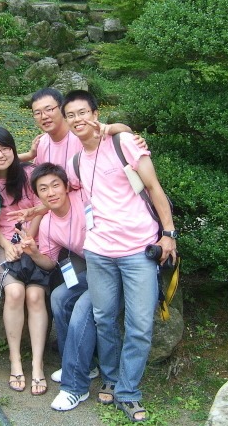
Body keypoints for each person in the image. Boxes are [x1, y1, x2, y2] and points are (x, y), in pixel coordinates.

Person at [62, 90, 177, 422]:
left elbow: (153, 187)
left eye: (83, 112)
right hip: (98, 251)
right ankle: (111, 379)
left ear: (96, 114)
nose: (78, 119)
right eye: (71, 115)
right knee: (104, 319)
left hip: (138, 250)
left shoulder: (123, 142)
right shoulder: (75, 162)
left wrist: (168, 233)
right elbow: (67, 193)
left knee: (139, 324)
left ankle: (128, 392)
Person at [18, 162, 98, 411]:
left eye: (55, 185)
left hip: (111, 267)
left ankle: (75, 386)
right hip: (90, 270)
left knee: (81, 310)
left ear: (66, 186)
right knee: (59, 297)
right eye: (43, 189)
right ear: (38, 195)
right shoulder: (48, 223)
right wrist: (33, 252)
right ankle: (78, 364)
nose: (51, 192)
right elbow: (50, 263)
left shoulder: (83, 197)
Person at [0, 126, 49, 395]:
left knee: (35, 296)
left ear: (13, 149)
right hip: (3, 243)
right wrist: (8, 245)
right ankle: (16, 360)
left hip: (35, 239)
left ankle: (38, 364)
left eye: (5, 148)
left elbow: (41, 209)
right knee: (15, 292)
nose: (0, 155)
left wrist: (27, 240)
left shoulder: (29, 174)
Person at [18, 88, 132, 166]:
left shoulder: (82, 131)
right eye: (37, 113)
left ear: (62, 109)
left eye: (49, 109)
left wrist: (117, 128)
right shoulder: (41, 143)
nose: (44, 116)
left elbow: (122, 133)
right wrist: (30, 155)